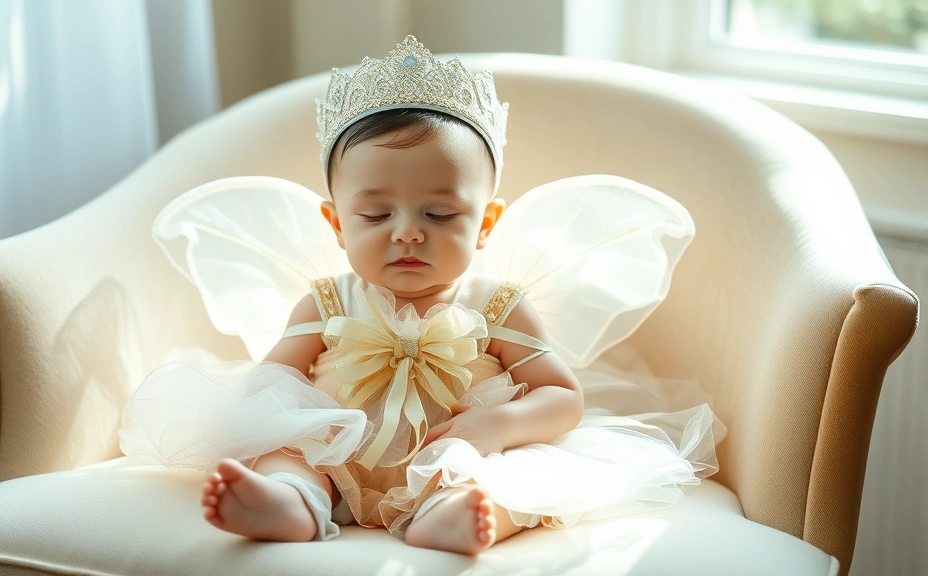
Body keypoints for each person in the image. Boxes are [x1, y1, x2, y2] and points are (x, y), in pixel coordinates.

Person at [119, 35, 722, 555]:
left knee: (504, 481)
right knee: (288, 453)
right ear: (336, 225)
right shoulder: (328, 301)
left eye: (438, 212)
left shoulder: (498, 305)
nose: (407, 230)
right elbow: (271, 381)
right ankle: (288, 502)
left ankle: (458, 518)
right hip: (340, 456)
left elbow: (562, 397)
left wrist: (495, 427)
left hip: (455, 450)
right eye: (376, 213)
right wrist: (286, 426)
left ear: (485, 225)